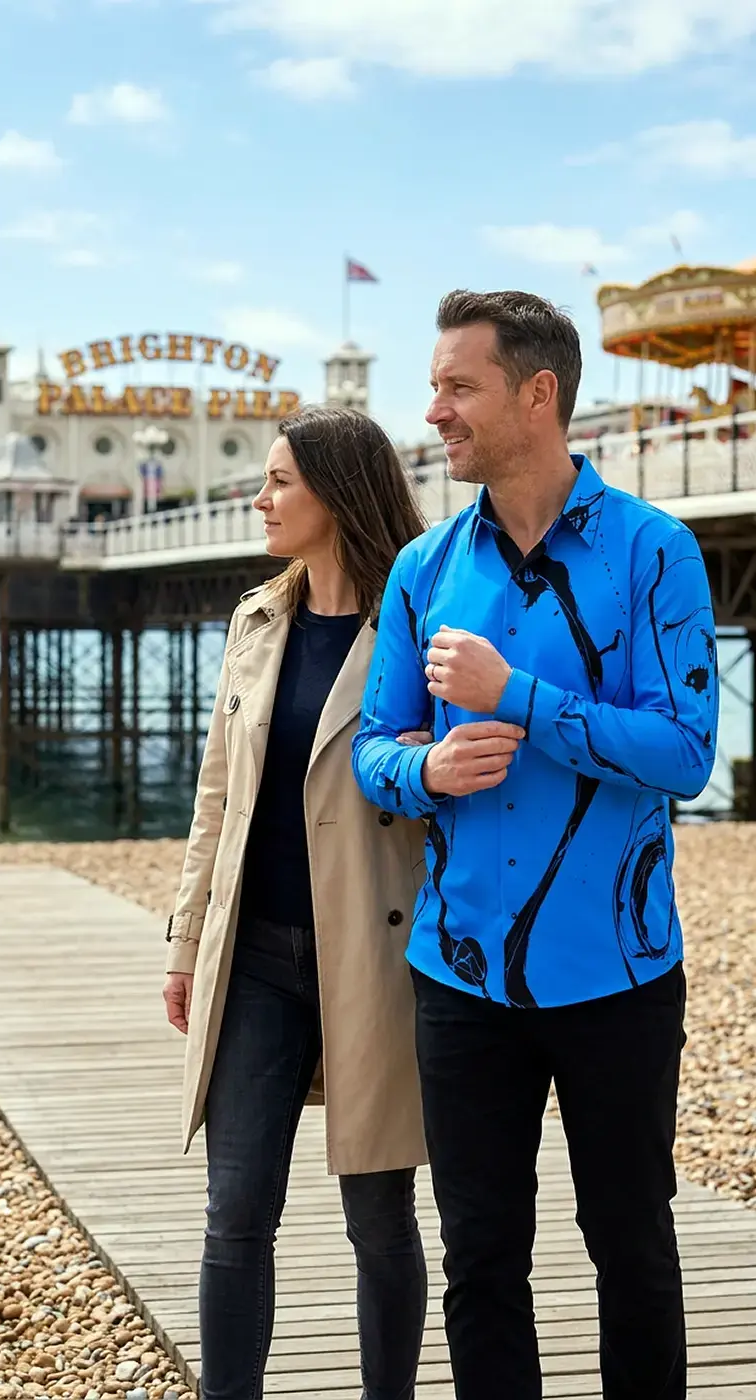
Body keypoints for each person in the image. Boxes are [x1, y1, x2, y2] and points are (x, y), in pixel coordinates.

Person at [352, 290, 718, 1400]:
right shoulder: (422, 566)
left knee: (632, 1248)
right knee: (481, 1260)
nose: (435, 412)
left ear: (536, 393)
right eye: (436, 388)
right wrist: (425, 769)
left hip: (617, 972)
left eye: (457, 387)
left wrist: (519, 698)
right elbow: (372, 744)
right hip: (459, 975)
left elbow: (685, 753)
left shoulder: (655, 552)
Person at [163, 404, 430, 1400]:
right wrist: (187, 941)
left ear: (337, 490)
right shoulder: (256, 617)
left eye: (279, 480)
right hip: (254, 957)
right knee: (234, 1211)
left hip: (374, 953)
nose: (260, 497)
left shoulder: (415, 623)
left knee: (378, 1211)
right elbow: (215, 799)